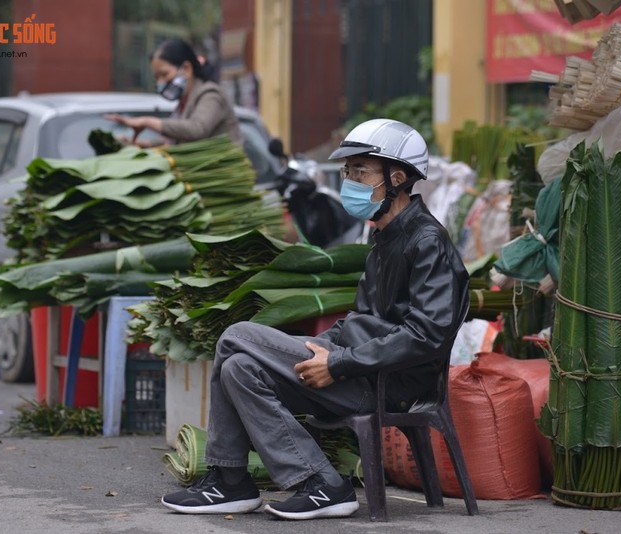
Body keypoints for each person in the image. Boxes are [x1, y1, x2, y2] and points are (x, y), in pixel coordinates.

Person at [160, 119, 470, 520]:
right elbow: (364, 317)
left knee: (236, 335)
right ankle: (308, 482)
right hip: (357, 367)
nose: (350, 181)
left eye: (361, 171)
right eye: (348, 171)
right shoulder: (384, 238)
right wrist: (327, 349)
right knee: (239, 369)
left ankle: (235, 480)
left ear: (397, 177)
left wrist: (339, 363)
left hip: (384, 382)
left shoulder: (426, 242)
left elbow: (425, 334)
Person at [104, 38, 242, 146]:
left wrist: (147, 122)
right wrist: (141, 144)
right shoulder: (183, 103)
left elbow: (197, 129)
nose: (160, 82)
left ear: (186, 69)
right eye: (157, 77)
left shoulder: (210, 94)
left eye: (164, 74)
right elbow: (176, 141)